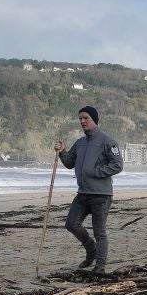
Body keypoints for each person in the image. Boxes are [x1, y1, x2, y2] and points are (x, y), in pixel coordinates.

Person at [56, 105, 122, 274]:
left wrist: (97, 172)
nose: (82, 121)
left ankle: (100, 267)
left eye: (86, 118)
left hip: (101, 194)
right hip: (83, 193)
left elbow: (117, 165)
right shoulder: (80, 143)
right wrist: (62, 151)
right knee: (71, 224)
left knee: (99, 232)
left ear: (94, 120)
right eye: (80, 119)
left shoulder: (108, 141)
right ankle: (91, 250)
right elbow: (70, 163)